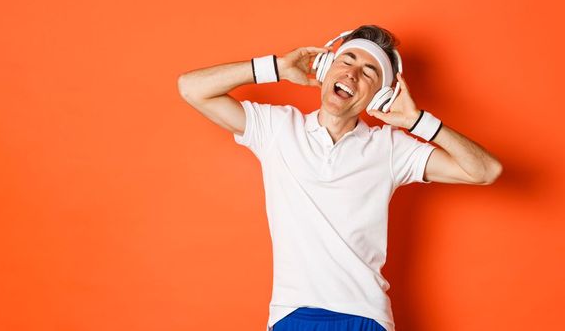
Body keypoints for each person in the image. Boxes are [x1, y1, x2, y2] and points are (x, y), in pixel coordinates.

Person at [176, 25, 503, 331]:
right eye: (347, 59)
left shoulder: (390, 148)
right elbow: (192, 88)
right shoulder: (276, 129)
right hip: (292, 313)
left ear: (379, 96)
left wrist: (416, 121)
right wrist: (276, 67)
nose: (352, 73)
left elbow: (486, 171)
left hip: (366, 316)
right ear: (325, 68)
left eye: (369, 72)